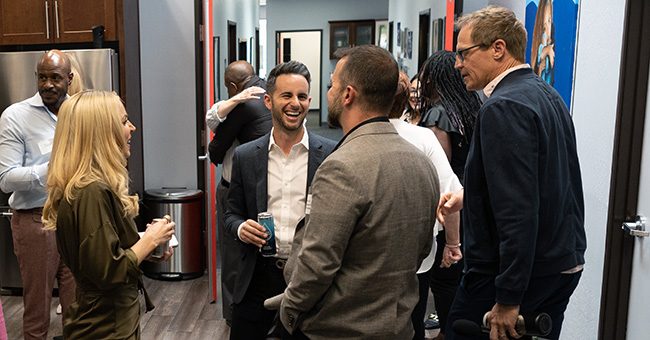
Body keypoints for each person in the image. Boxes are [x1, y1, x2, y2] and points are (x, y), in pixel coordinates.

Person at [441, 6, 585, 340]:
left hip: (517, 276)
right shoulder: (544, 94)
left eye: (463, 53)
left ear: (498, 48)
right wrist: (471, 195)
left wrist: (508, 297)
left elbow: (517, 211)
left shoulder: (504, 106)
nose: (457, 64)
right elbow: (542, 182)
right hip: (559, 263)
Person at [279, 45, 440, 339]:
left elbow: (317, 264)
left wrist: (289, 311)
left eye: (332, 85)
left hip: (339, 330)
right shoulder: (422, 163)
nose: (328, 94)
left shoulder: (340, 167)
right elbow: (421, 251)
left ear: (348, 95)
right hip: (399, 328)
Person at [42, 90, 176, 339]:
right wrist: (148, 241)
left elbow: (101, 255)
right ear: (101, 132)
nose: (132, 128)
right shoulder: (91, 191)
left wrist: (147, 248)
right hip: (104, 327)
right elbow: (108, 271)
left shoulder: (89, 187)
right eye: (124, 121)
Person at [224, 60, 335, 339]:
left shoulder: (331, 155)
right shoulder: (246, 156)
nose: (294, 104)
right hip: (256, 277)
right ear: (268, 100)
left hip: (308, 279)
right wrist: (240, 228)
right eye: (286, 95)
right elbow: (231, 214)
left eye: (301, 96)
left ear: (310, 100)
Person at [0, 49, 77, 340]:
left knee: (77, 310)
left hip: (75, 219)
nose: (48, 85)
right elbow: (6, 179)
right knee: (37, 312)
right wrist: (52, 168)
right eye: (42, 78)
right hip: (35, 222)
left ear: (68, 79)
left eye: (55, 78)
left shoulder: (79, 111)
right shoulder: (16, 116)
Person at [389, 71, 463, 340]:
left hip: (368, 261)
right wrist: (453, 244)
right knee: (413, 322)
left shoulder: (353, 139)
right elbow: (451, 197)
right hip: (417, 255)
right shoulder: (423, 138)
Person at [418, 50, 482, 340]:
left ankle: (447, 330)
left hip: (449, 208)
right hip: (472, 201)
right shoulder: (473, 104)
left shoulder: (438, 113)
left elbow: (438, 173)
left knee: (444, 277)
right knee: (461, 275)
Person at [206, 60, 273, 323]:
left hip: (238, 189)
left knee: (233, 253)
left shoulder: (243, 104)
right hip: (268, 187)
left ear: (233, 86)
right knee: (267, 248)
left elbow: (215, 151)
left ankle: (235, 317)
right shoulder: (268, 93)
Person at [530, 0, 555, 85]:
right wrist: (546, 51)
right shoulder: (542, 45)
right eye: (545, 26)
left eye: (549, 21)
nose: (548, 28)